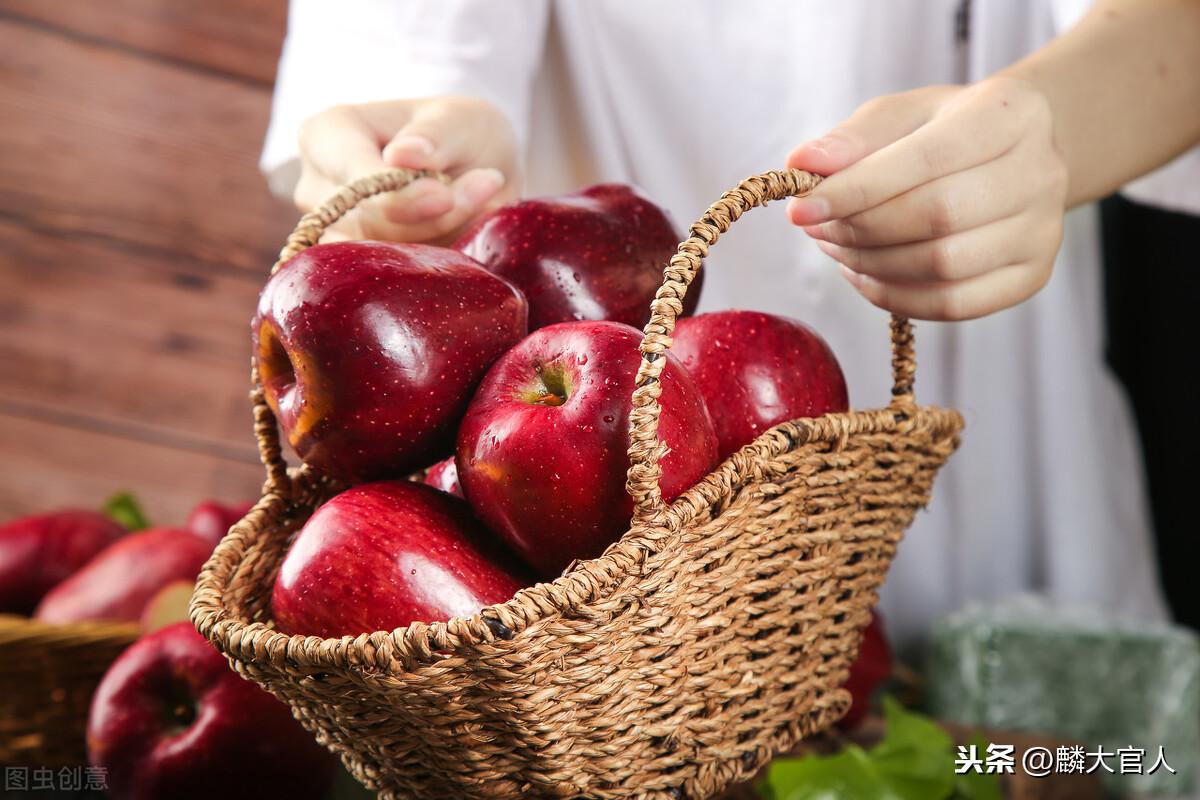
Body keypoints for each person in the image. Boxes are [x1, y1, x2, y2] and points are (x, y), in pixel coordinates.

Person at [261, 0, 1200, 647]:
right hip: (585, 605)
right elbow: (402, 50)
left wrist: (1048, 127)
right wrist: (414, 151)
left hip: (997, 458)